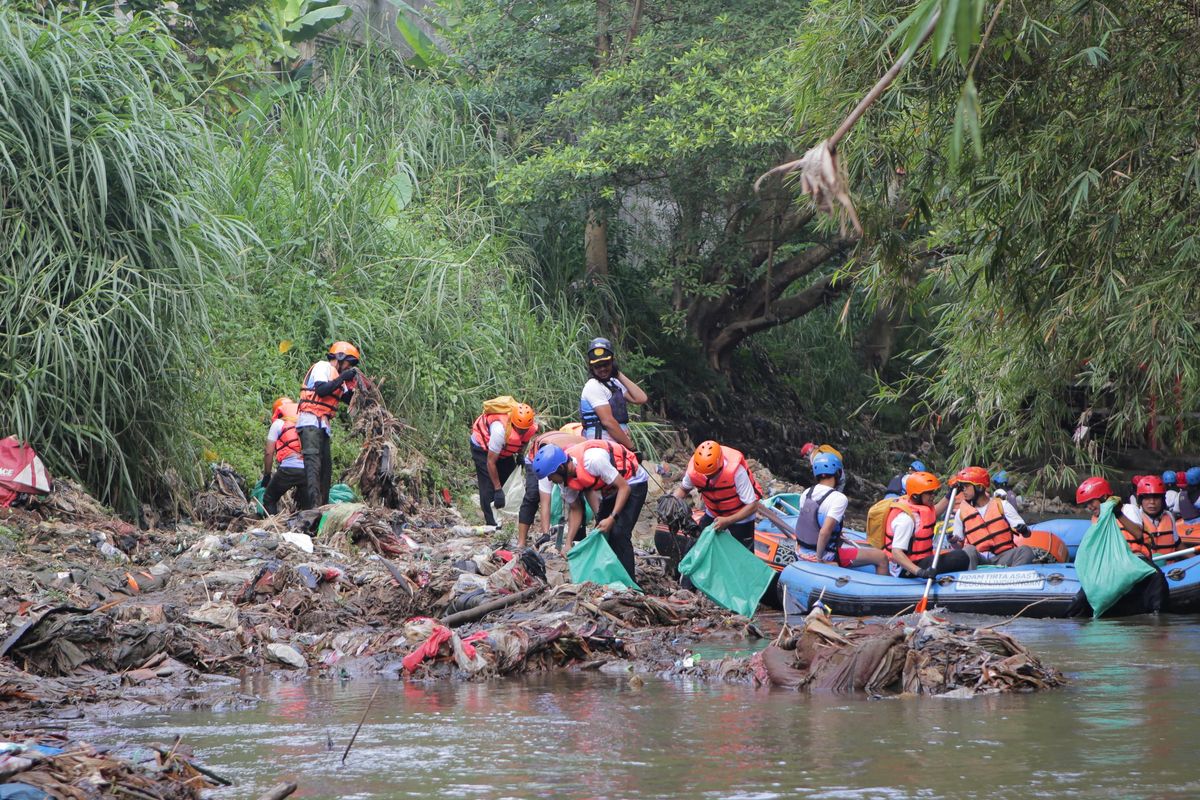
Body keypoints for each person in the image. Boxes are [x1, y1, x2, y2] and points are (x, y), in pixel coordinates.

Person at [532, 440, 648, 582]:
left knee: (619, 533)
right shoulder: (565, 481)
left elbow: (624, 488)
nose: (550, 479)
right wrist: (568, 543)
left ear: (561, 468)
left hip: (632, 482)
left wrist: (612, 518)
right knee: (600, 532)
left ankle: (629, 583)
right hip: (610, 489)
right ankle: (609, 577)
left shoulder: (593, 460)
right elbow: (575, 509)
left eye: (550, 475)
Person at [794, 452, 889, 574]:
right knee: (881, 557)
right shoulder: (839, 498)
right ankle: (881, 591)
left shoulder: (806, 493)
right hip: (824, 556)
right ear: (837, 473)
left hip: (801, 551)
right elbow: (824, 532)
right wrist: (819, 560)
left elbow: (806, 524)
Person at [296, 341, 360, 508]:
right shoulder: (322, 367)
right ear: (339, 357)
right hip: (310, 423)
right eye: (348, 363)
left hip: (322, 426)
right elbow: (322, 390)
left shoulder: (337, 377)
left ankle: (322, 510)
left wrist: (356, 390)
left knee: (325, 471)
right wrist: (342, 378)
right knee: (313, 469)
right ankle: (311, 511)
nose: (348, 367)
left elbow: (348, 399)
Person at [672, 441, 762, 551]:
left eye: (710, 473)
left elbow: (753, 506)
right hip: (714, 511)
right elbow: (683, 489)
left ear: (719, 465)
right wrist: (671, 501)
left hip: (740, 514)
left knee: (742, 552)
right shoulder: (695, 470)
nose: (707, 476)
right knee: (696, 544)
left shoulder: (737, 472)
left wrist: (728, 520)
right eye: (704, 473)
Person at [884, 471, 972, 578]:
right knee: (960, 557)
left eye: (933, 492)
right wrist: (920, 572)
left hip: (919, 560)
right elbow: (897, 553)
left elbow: (934, 514)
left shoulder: (917, 507)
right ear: (916, 496)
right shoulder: (905, 520)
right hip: (905, 569)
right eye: (929, 493)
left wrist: (949, 495)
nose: (933, 496)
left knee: (959, 556)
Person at [469, 401, 538, 528]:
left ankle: (507, 515)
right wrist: (497, 489)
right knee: (488, 485)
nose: (522, 432)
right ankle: (492, 524)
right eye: (519, 430)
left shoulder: (529, 428)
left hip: (503, 449)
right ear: (513, 423)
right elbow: (491, 462)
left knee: (509, 478)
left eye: (525, 430)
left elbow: (525, 440)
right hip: (482, 447)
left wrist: (520, 454)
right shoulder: (499, 430)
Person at [950, 466, 1035, 568]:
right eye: (962, 487)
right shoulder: (961, 513)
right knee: (968, 550)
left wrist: (1024, 530)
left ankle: (1012, 577)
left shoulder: (1002, 505)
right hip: (979, 558)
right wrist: (953, 542)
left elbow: (1027, 535)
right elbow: (958, 547)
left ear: (980, 487)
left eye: (967, 486)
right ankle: (971, 580)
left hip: (1003, 556)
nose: (964, 490)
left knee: (1025, 551)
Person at [518, 426, 586, 547]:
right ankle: (521, 541)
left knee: (580, 497)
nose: (550, 480)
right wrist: (546, 534)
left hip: (569, 456)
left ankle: (579, 537)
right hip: (536, 458)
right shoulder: (544, 469)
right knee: (532, 495)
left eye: (550, 477)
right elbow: (545, 502)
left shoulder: (581, 459)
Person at [579, 337, 648, 450]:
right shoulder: (593, 386)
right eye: (597, 366)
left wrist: (618, 374)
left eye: (606, 364)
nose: (602, 369)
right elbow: (608, 422)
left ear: (612, 362)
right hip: (602, 447)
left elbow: (641, 398)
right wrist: (632, 447)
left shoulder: (614, 383)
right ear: (591, 367)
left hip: (618, 444)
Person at [261, 397, 308, 514]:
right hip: (308, 470)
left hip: (288, 469)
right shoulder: (306, 422)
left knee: (269, 498)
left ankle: (272, 526)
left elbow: (268, 452)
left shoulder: (278, 424)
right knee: (307, 506)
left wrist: (267, 475)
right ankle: (307, 530)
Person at [1121, 475, 1179, 558]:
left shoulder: (1169, 516)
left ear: (1162, 500)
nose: (1152, 502)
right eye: (1147, 498)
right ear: (1140, 500)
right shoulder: (1135, 519)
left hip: (1170, 568)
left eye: (1156, 498)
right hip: (1148, 568)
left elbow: (1177, 543)